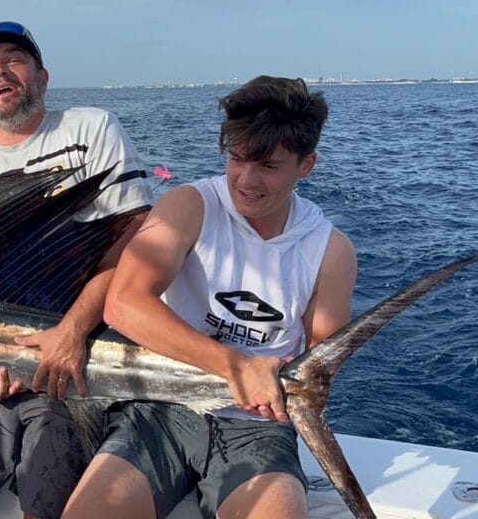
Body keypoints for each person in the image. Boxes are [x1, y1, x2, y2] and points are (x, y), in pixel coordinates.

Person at [61, 76, 358, 519]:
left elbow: (316, 372)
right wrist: (236, 365)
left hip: (256, 428)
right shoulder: (189, 205)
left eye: (269, 166)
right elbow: (123, 304)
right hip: (160, 408)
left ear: (307, 165)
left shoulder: (332, 251)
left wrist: (290, 382)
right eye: (237, 160)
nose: (247, 180)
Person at [0, 22, 154, 519]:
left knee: (53, 506)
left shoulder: (91, 128)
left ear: (42, 76)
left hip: (73, 361)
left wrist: (71, 332)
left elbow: (134, 239)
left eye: (14, 58)